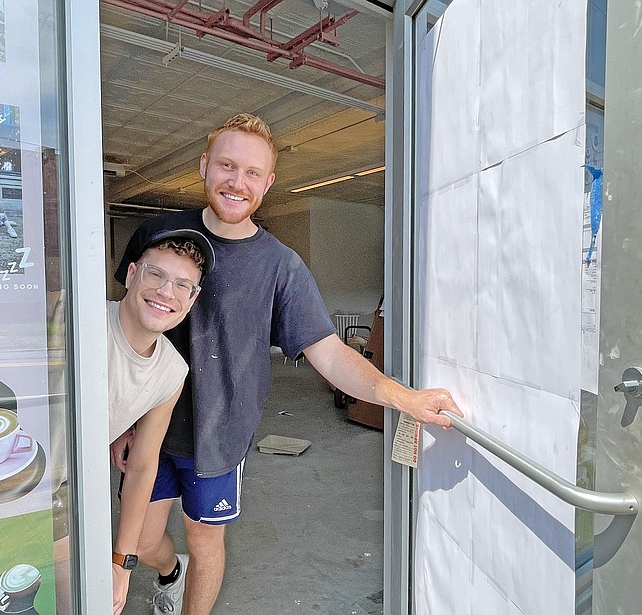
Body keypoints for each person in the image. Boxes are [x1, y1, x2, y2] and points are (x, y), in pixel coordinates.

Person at [113, 113, 464, 615]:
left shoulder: (280, 266)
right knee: (144, 542)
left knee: (205, 539)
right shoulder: (158, 234)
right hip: (148, 423)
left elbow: (331, 353)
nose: (238, 182)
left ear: (268, 183)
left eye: (252, 173)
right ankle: (171, 572)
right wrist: (116, 421)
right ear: (204, 165)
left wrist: (404, 397)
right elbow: (124, 326)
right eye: (227, 166)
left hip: (219, 433)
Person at [110, 228, 216, 614]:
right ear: (132, 273)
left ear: (193, 298)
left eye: (182, 285)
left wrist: (121, 564)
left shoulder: (172, 371)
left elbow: (141, 466)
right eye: (156, 274)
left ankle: (171, 573)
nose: (166, 292)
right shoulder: (78, 325)